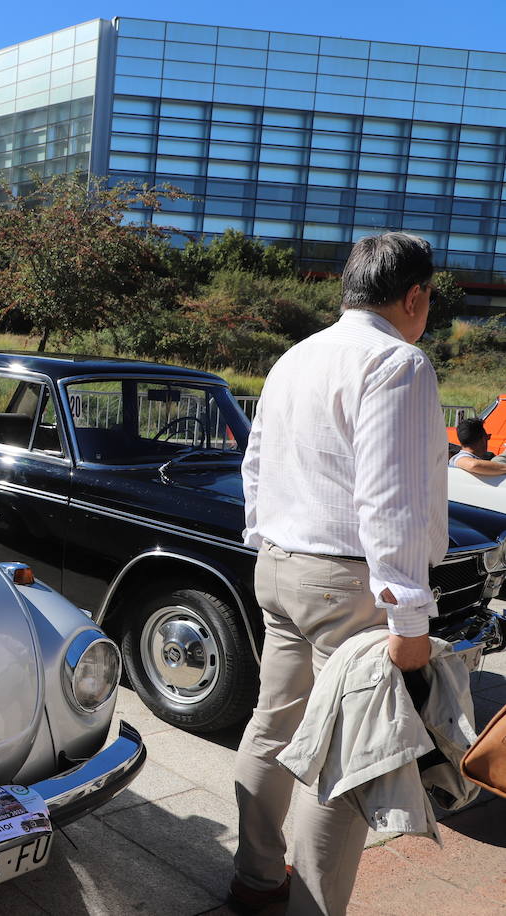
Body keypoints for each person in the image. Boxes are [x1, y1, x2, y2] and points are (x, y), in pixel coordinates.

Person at [233, 232, 446, 915]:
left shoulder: (295, 357)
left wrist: (265, 541)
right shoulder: (399, 363)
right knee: (347, 754)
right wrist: (409, 616)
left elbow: (255, 464)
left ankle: (257, 879)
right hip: (349, 586)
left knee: (273, 725)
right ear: (413, 296)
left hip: (280, 569)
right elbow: (392, 503)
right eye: (429, 301)